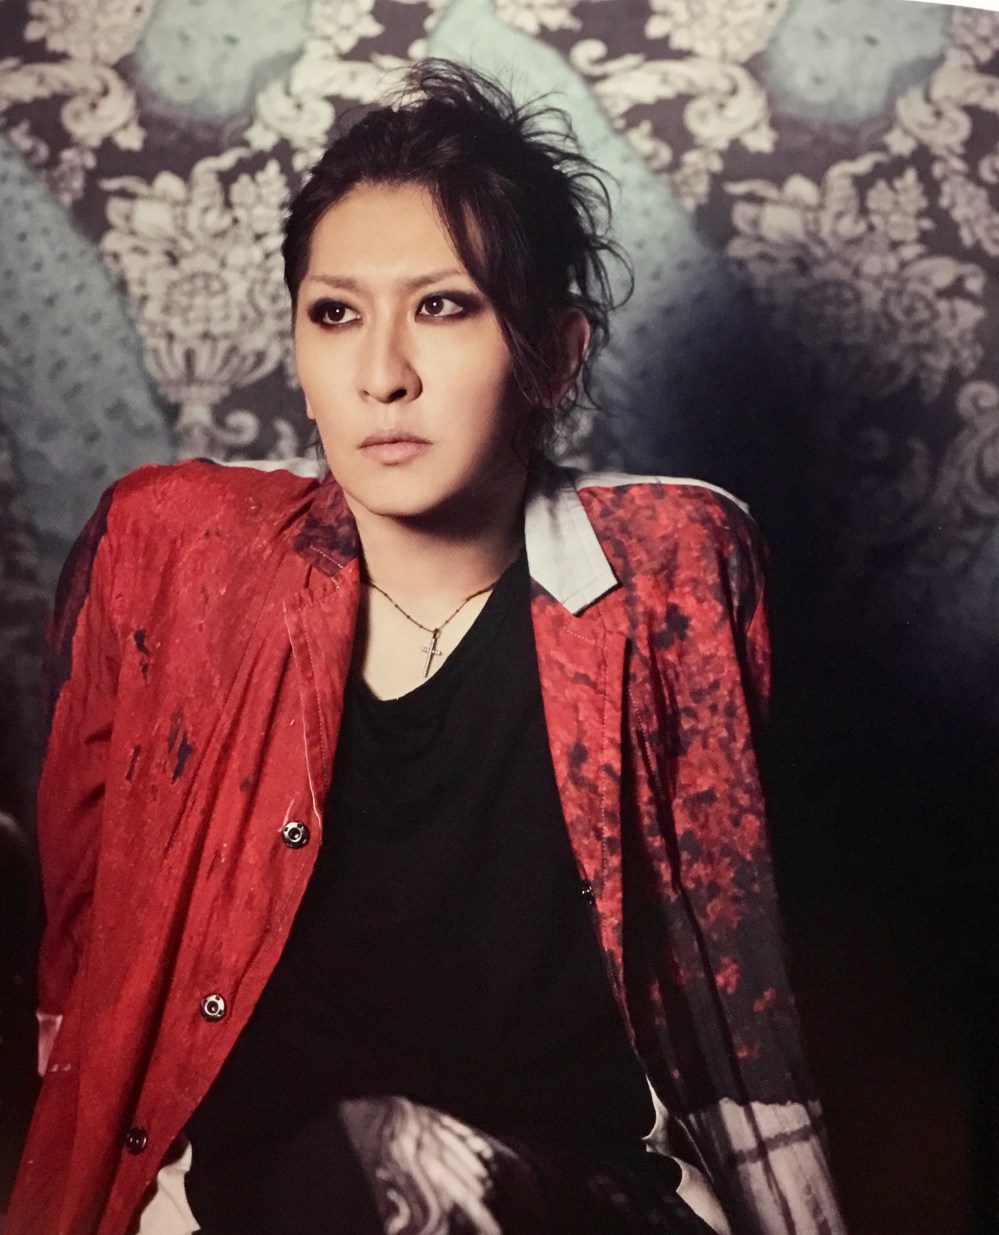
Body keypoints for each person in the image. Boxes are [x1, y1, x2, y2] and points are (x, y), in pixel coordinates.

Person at [5, 61, 844, 1235]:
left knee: (378, 1155)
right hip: (257, 1203)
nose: (381, 374)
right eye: (335, 313)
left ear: (553, 353)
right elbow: (86, 938)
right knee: (333, 1167)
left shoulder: (668, 585)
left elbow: (749, 948)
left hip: (575, 1198)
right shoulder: (185, 569)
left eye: (444, 306)